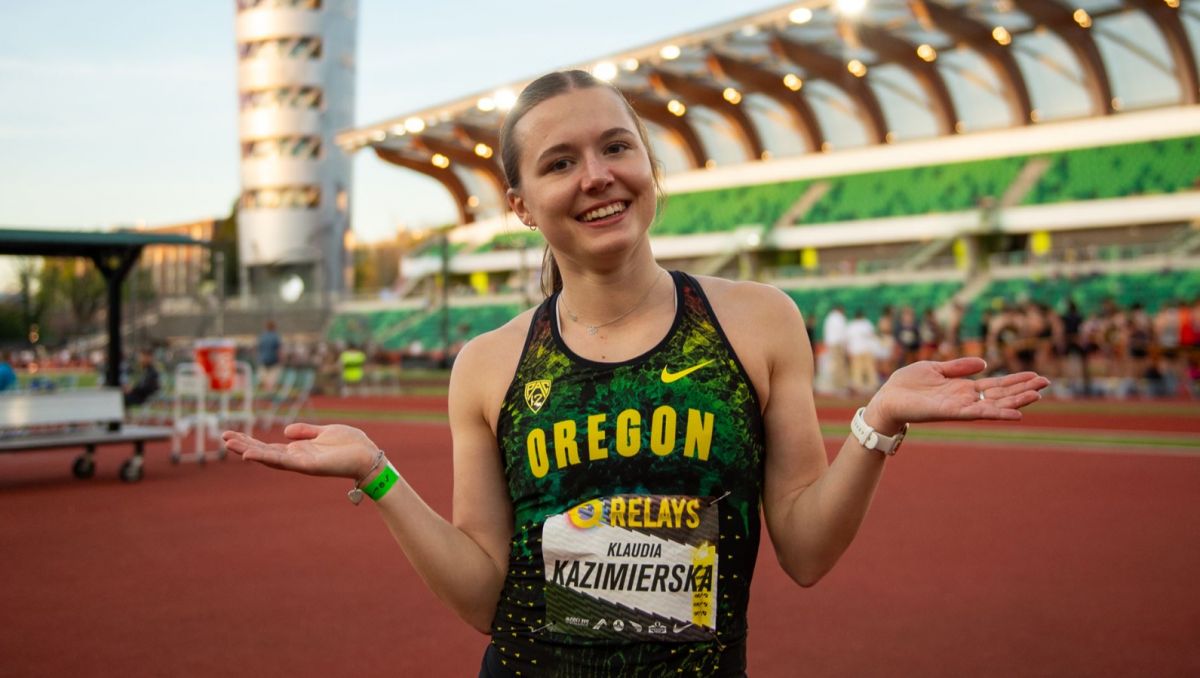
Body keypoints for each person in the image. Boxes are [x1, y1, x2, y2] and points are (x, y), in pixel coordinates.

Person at [222, 70, 1049, 677]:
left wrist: (876, 424)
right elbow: (484, 598)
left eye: (617, 146)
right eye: (559, 162)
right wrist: (378, 475)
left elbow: (803, 548)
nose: (597, 175)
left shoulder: (757, 320)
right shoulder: (487, 365)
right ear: (519, 204)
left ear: (649, 163)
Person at [256, 320, 283, 392]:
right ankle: (270, 390)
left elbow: (258, 349)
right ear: (274, 328)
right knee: (273, 377)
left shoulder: (262, 337)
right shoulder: (276, 336)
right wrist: (281, 360)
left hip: (263, 360)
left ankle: (264, 390)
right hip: (273, 360)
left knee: (264, 377)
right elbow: (279, 350)